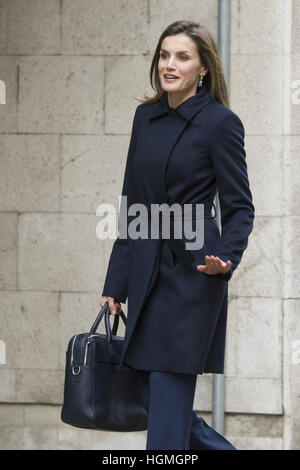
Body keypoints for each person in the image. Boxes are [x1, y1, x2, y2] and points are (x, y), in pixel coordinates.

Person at [100, 20, 255, 450]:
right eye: (165, 55)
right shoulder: (144, 117)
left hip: (193, 274)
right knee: (152, 395)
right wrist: (116, 282)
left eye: (182, 57)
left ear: (203, 67)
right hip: (145, 271)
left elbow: (240, 207)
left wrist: (226, 256)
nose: (170, 65)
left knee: (166, 401)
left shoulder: (221, 123)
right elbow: (132, 204)